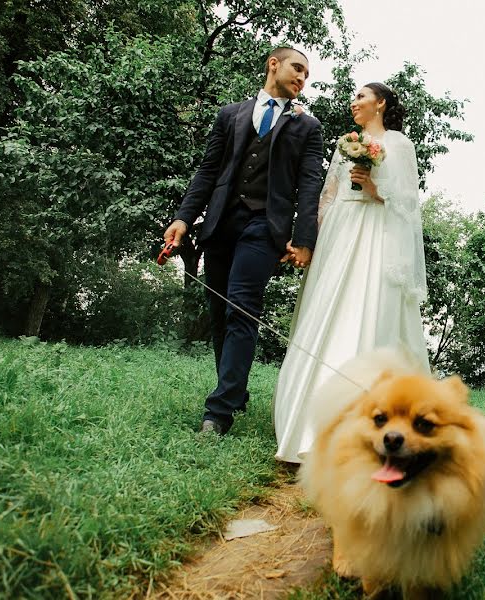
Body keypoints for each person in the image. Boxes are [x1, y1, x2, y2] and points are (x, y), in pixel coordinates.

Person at [164, 47, 324, 436]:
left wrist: (305, 239)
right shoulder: (230, 114)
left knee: (242, 305)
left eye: (307, 74)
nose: (302, 78)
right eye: (297, 69)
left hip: (265, 227)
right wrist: (184, 219)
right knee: (219, 310)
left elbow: (309, 185)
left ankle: (218, 412)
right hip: (220, 222)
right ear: (274, 64)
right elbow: (207, 170)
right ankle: (234, 390)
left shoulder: (308, 127)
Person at [273, 82, 430, 463]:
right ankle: (309, 420)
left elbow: (410, 202)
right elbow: (328, 194)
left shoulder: (399, 144)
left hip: (377, 233)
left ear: (381, 103)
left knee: (369, 309)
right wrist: (311, 242)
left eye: (361, 96)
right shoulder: (348, 142)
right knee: (328, 309)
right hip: (340, 235)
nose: (353, 102)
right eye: (354, 97)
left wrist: (377, 189)